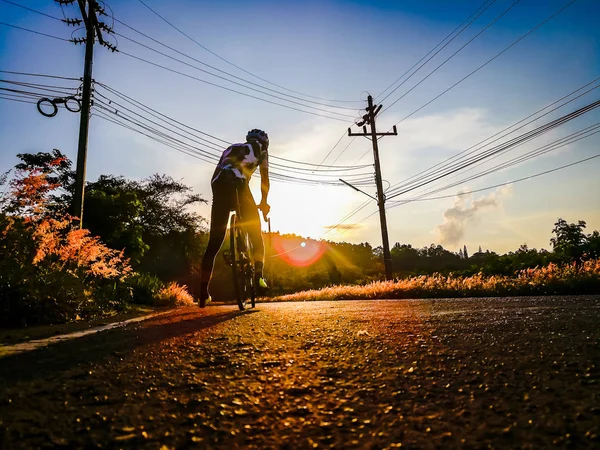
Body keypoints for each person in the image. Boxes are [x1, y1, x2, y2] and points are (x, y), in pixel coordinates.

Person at [198, 129, 270, 307]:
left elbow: (216, 174)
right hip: (239, 185)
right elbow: (264, 180)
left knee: (214, 244)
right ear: (265, 143)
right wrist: (264, 202)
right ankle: (259, 276)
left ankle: (202, 291)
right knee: (255, 233)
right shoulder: (262, 150)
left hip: (219, 186)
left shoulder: (230, 148)